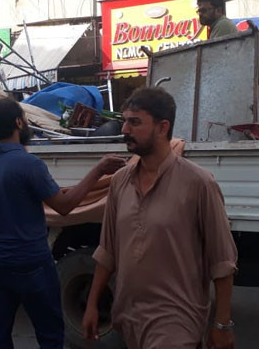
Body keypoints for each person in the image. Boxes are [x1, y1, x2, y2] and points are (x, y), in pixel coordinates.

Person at [0, 99, 126, 349]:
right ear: (18, 122)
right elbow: (65, 206)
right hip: (33, 266)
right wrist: (99, 169)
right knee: (49, 337)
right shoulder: (29, 165)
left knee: (0, 336)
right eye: (24, 119)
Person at [82, 87, 238, 349]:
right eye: (124, 122)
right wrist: (91, 305)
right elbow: (107, 251)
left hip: (176, 322)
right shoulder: (120, 181)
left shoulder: (199, 183)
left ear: (162, 127)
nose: (125, 131)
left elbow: (222, 262)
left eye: (135, 122)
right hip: (129, 317)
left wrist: (222, 325)